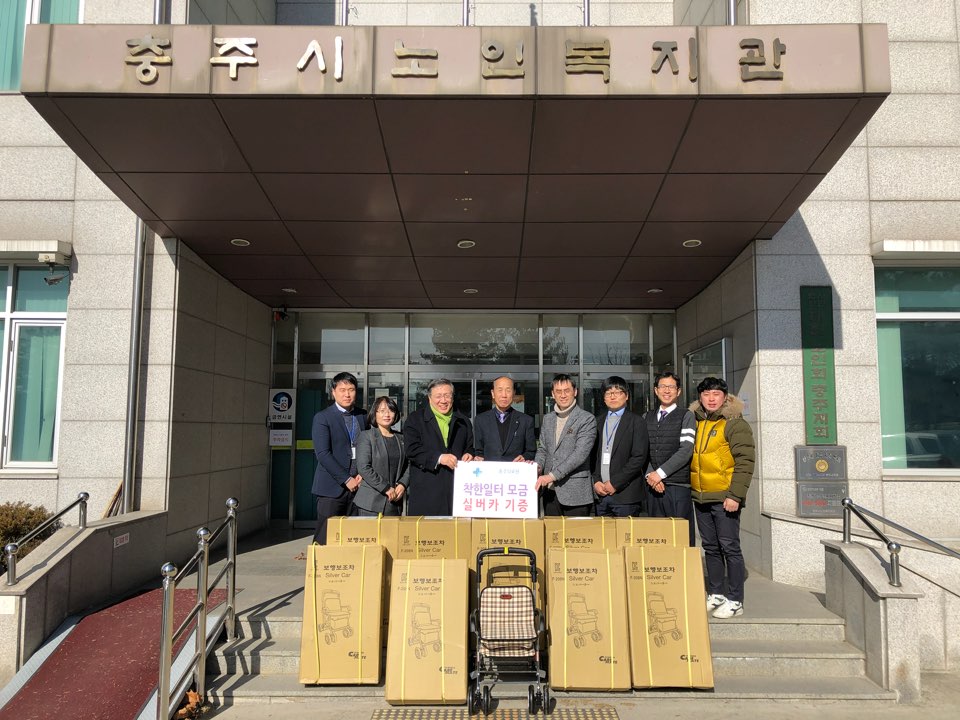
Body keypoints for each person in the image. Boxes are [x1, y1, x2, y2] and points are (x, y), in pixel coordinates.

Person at [690, 376, 755, 619]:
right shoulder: (696, 421)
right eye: (706, 394)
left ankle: (736, 600)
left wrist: (735, 495)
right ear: (700, 397)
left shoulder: (735, 423)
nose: (711, 399)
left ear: (725, 397)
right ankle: (716, 592)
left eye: (716, 394)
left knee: (730, 547)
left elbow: (745, 461)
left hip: (725, 497)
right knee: (710, 547)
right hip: (701, 496)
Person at [403, 378, 475, 516]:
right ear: (429, 398)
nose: (443, 400)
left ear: (453, 397)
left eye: (447, 396)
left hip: (457, 492)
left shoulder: (463, 421)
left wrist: (469, 454)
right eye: (438, 396)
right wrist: (439, 458)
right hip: (428, 492)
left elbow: (470, 446)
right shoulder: (415, 419)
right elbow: (412, 450)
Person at [311, 372, 368, 544]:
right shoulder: (323, 417)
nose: (347, 394)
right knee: (326, 537)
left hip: (359, 487)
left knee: (353, 537)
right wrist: (346, 479)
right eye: (342, 390)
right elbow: (323, 454)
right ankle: (320, 562)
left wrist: (362, 473)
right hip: (332, 489)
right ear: (333, 392)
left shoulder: (363, 416)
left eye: (351, 390)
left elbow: (368, 448)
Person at [644, 372, 697, 546]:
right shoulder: (646, 417)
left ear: (678, 391)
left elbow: (686, 450)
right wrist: (650, 475)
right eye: (662, 386)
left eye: (671, 387)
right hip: (653, 486)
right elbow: (642, 452)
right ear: (656, 390)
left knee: (680, 538)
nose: (667, 390)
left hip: (677, 486)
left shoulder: (686, 416)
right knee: (656, 538)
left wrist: (659, 474)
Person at [534, 374, 597, 516]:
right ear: (552, 394)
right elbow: (543, 449)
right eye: (558, 391)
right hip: (550, 492)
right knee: (552, 530)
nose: (563, 395)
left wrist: (552, 476)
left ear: (575, 392)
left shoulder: (586, 419)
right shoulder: (548, 419)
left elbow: (579, 454)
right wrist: (538, 466)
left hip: (576, 493)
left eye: (567, 390)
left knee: (575, 531)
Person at [592, 376, 649, 517]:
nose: (612, 396)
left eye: (617, 392)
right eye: (608, 393)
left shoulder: (637, 422)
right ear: (604, 397)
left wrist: (615, 483)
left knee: (626, 532)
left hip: (626, 496)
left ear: (627, 396)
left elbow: (639, 457)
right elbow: (592, 456)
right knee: (602, 532)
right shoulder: (596, 422)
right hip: (601, 494)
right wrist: (596, 481)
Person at [354, 396, 409, 517]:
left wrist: (403, 484)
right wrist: (386, 488)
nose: (387, 414)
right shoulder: (367, 436)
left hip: (394, 501)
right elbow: (363, 467)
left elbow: (409, 464)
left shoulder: (401, 438)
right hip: (371, 503)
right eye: (382, 410)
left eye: (391, 410)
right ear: (375, 413)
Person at [473, 375, 536, 463]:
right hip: (490, 470)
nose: (504, 395)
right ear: (493, 393)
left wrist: (524, 457)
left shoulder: (526, 421)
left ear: (513, 393)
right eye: (500, 390)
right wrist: (478, 457)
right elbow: (478, 451)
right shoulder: (480, 420)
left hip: (515, 470)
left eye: (508, 390)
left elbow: (531, 451)